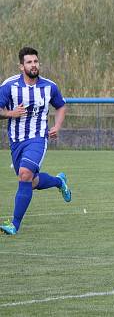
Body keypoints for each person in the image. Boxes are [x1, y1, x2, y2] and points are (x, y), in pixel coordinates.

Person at [0, 47, 71, 235]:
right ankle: (58, 182)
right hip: (16, 141)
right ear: (21, 66)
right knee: (30, 181)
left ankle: (14, 225)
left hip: (38, 139)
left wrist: (56, 126)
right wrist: (10, 113)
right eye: (29, 62)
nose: (33, 65)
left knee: (24, 174)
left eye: (36, 62)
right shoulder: (9, 86)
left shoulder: (49, 86)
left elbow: (61, 106)